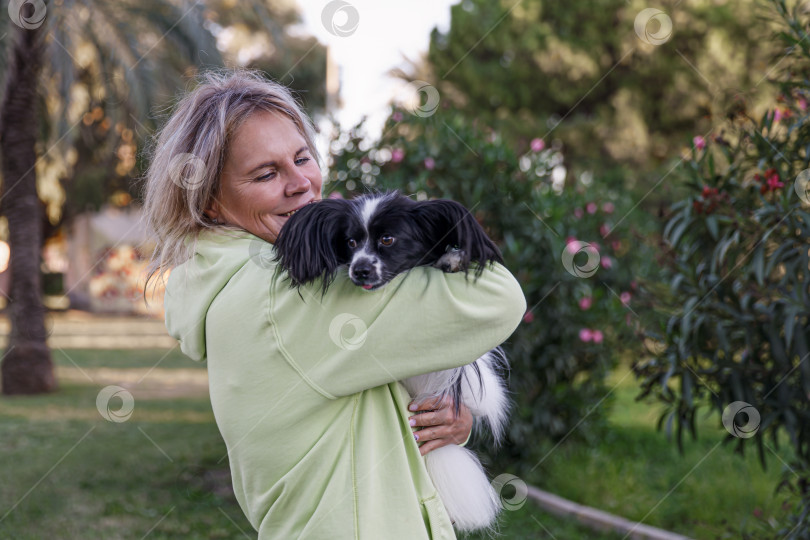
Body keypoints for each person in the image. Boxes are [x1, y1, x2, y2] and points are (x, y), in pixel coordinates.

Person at [142, 68, 526, 539]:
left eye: (303, 158)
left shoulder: (224, 289)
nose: (301, 183)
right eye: (266, 173)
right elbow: (498, 298)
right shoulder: (288, 296)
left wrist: (439, 416)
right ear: (210, 205)